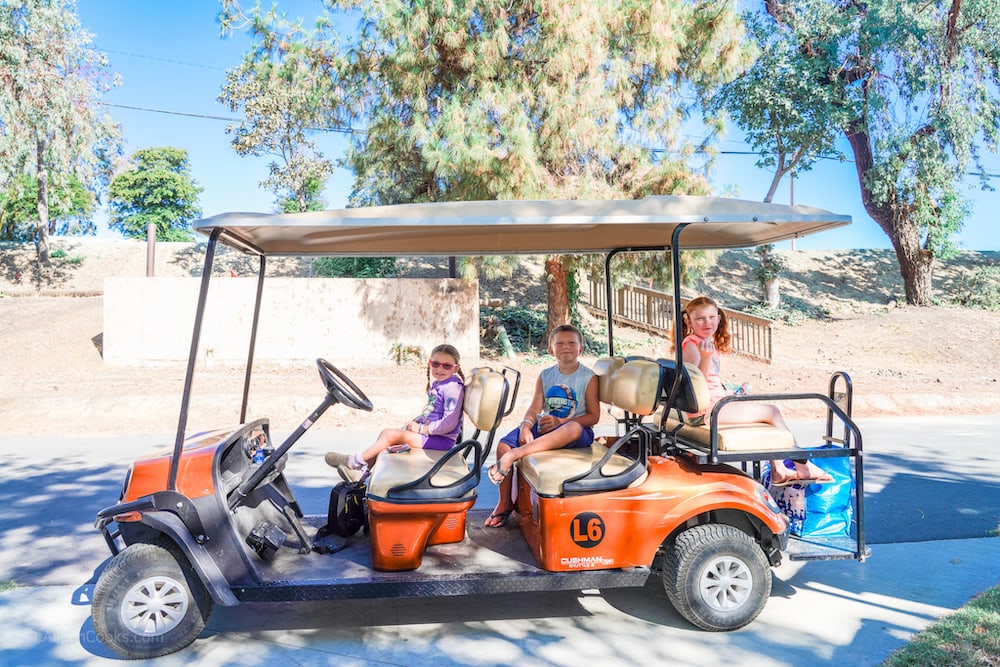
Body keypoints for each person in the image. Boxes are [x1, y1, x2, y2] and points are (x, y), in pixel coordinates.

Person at [673, 296, 832, 487]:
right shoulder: (692, 344)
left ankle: (780, 469)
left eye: (711, 317)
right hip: (706, 411)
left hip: (714, 404)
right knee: (771, 412)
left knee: (763, 417)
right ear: (688, 321)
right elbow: (693, 384)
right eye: (700, 319)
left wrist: (730, 392)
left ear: (719, 317)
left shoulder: (705, 342)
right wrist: (706, 358)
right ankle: (803, 467)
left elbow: (710, 381)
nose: (707, 322)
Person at [484, 324, 600, 527]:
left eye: (572, 343)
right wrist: (526, 426)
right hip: (547, 426)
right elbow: (534, 408)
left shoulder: (588, 378)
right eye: (560, 343)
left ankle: (514, 455)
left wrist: (562, 421)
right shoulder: (546, 375)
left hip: (574, 431)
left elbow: (593, 417)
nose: (566, 347)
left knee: (572, 428)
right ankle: (504, 503)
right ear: (550, 349)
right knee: (503, 445)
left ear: (580, 349)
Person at [324, 344, 465, 482]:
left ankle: (353, 461)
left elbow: (449, 423)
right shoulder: (441, 384)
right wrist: (417, 421)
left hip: (442, 441)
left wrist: (422, 429)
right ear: (429, 363)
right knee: (386, 434)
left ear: (455, 368)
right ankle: (361, 473)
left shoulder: (453, 388)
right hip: (432, 435)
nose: (440, 368)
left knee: (391, 435)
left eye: (446, 366)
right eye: (435, 364)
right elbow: (432, 412)